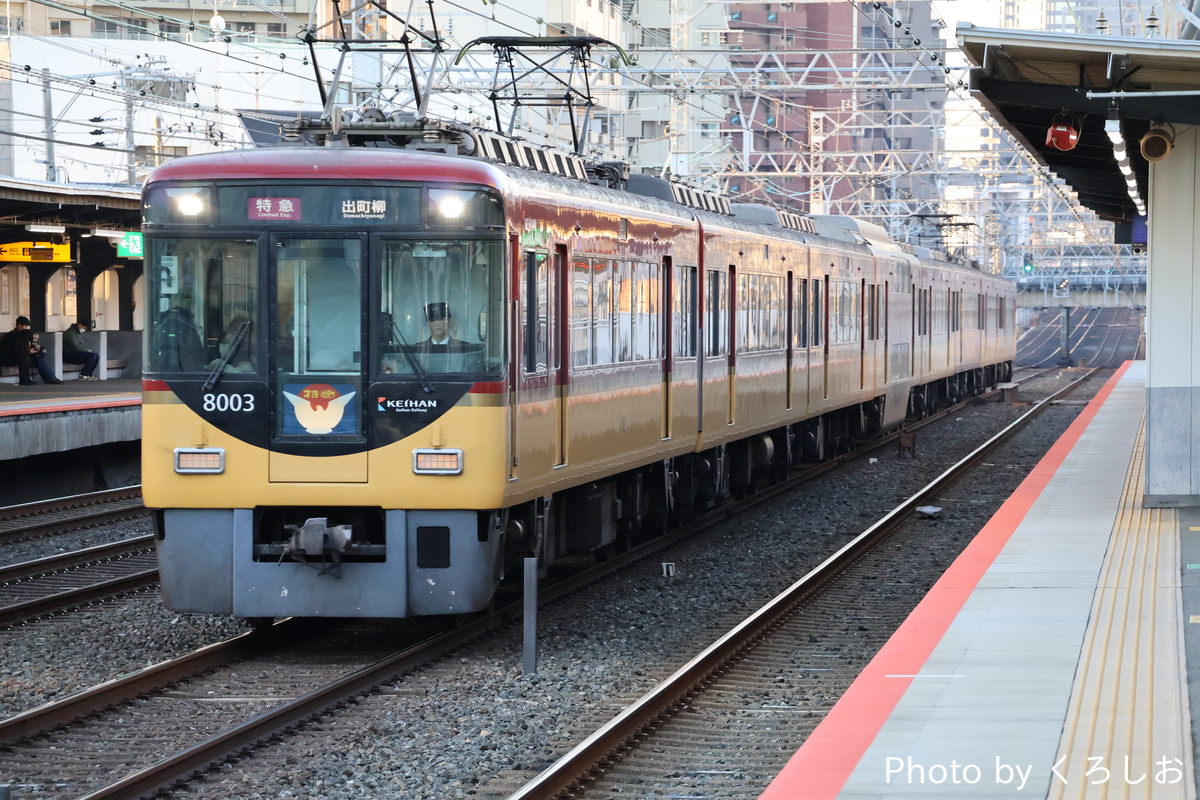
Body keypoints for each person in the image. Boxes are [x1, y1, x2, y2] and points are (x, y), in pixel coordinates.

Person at [1, 316, 62, 385]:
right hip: (11, 358)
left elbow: (25, 347)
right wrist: (27, 351)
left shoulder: (23, 334)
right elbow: (15, 350)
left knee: (37, 359)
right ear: (19, 325)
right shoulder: (11, 336)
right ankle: (48, 379)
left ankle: (51, 378)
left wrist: (33, 349)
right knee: (26, 358)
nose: (25, 328)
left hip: (20, 355)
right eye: (24, 326)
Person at [414, 302, 473, 372]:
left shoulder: (464, 348)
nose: (437, 323)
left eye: (441, 319)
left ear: (449, 321)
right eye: (433, 319)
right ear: (427, 323)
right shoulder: (418, 349)